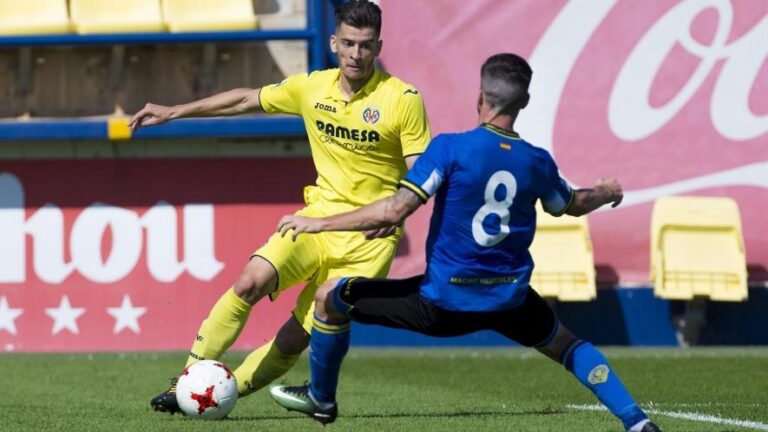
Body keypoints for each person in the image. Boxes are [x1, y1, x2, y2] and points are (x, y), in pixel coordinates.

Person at [268, 53, 662, 432]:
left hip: (441, 305)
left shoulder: (450, 149)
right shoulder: (536, 162)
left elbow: (395, 210)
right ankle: (636, 420)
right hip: (509, 301)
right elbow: (573, 204)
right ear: (524, 101)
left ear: (480, 96)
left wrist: (318, 223)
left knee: (330, 296)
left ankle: (322, 398)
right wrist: (607, 191)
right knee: (567, 345)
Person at [129, 0, 431, 413]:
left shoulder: (402, 100)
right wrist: (175, 112)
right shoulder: (312, 88)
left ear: (378, 46)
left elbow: (422, 174)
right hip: (314, 222)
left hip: (367, 242)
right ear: (333, 42)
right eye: (347, 44)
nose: (355, 55)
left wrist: (400, 211)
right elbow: (243, 100)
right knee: (250, 281)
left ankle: (221, 394)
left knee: (295, 337)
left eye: (364, 46)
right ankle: (188, 382)